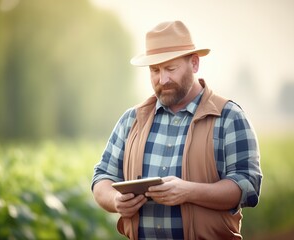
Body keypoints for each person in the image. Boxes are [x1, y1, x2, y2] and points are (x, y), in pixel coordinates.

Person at [91, 20, 262, 240]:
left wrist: (189, 191)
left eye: (171, 68)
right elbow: (102, 178)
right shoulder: (130, 120)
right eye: (155, 70)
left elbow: (247, 185)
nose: (162, 79)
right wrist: (115, 200)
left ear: (194, 64)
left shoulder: (229, 117)